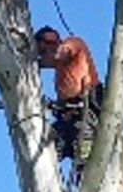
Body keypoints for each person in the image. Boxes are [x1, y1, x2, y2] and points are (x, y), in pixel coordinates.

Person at [35, 25, 102, 168]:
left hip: (85, 112)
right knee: (47, 149)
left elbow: (61, 54)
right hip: (68, 118)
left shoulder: (73, 43)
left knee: (84, 157)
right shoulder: (60, 74)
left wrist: (35, 61)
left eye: (43, 50)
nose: (44, 54)